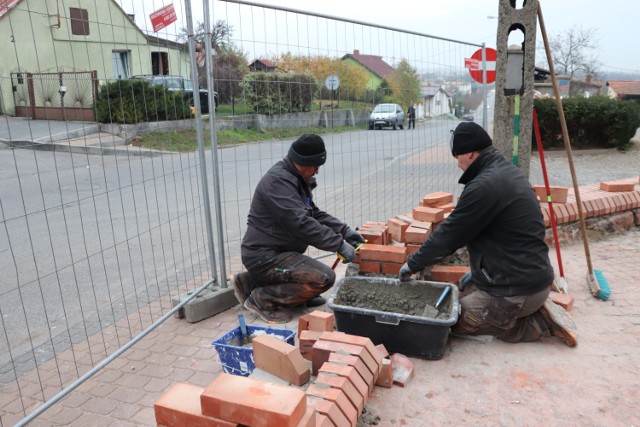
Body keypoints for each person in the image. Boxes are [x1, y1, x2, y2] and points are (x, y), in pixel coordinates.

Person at [398, 121, 577, 347]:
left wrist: (412, 264)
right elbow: (508, 236)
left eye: (458, 157)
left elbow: (449, 236)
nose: (457, 164)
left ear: (471, 154)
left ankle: (535, 324)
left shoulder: (485, 186)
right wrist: (480, 272)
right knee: (457, 296)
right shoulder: (503, 173)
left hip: (518, 289)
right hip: (523, 278)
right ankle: (526, 308)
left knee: (448, 322)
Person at [231, 134, 365, 323]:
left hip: (277, 252)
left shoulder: (295, 178)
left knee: (315, 278)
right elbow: (301, 223)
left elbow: (313, 214)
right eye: (316, 166)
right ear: (303, 162)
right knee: (324, 278)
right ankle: (262, 299)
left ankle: (249, 282)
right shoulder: (278, 183)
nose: (317, 171)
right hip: (264, 256)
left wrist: (344, 231)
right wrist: (338, 245)